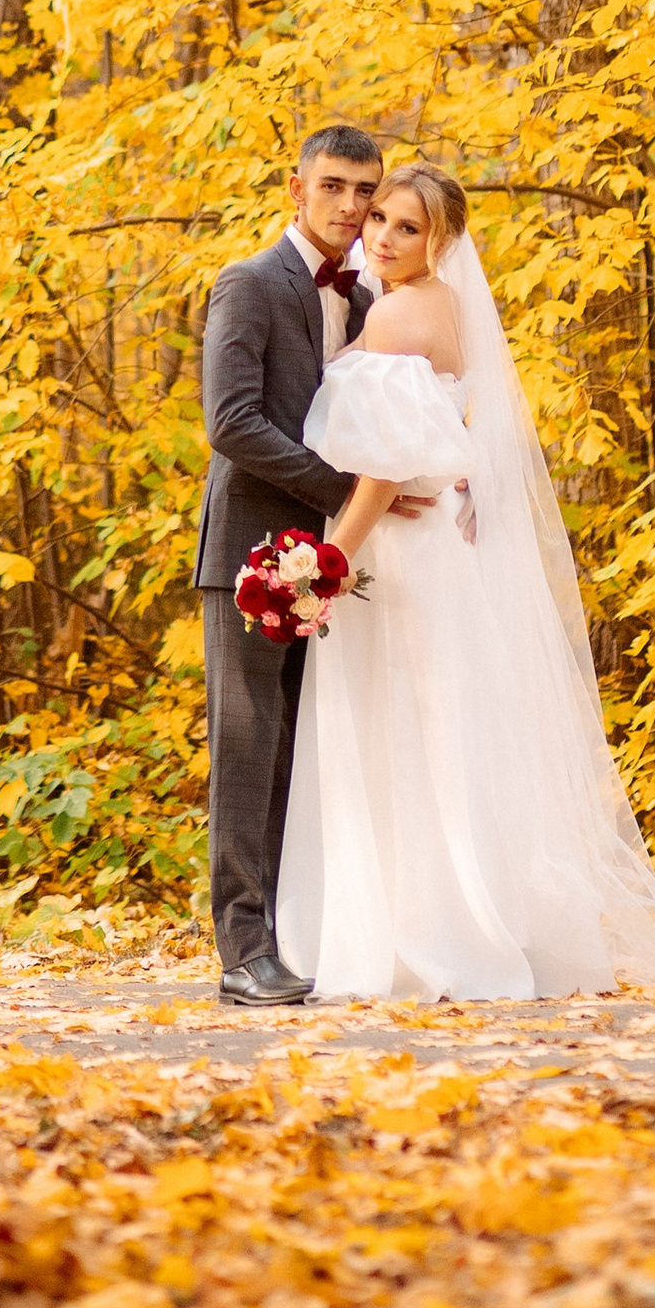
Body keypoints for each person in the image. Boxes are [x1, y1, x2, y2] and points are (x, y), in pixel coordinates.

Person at [276, 161, 655, 1001]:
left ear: (442, 241)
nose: (383, 237)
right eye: (379, 218)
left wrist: (327, 567)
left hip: (391, 554)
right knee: (439, 734)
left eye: (407, 227)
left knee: (396, 730)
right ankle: (465, 919)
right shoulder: (451, 306)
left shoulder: (395, 312)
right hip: (437, 550)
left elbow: (387, 469)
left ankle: (417, 936)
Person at [195, 121, 416, 1005]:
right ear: (297, 189)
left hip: (340, 564)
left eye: (366, 193)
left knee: (311, 751)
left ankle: (305, 934)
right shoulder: (249, 284)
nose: (352, 208)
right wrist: (344, 494)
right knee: (249, 751)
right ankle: (243, 951)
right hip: (252, 549)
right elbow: (232, 422)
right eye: (334, 188)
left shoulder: (372, 302)